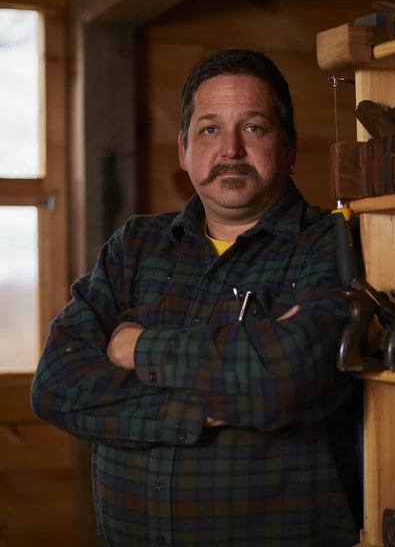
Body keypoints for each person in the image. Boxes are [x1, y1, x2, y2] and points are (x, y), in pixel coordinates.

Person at [31, 49, 362, 547]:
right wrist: (202, 409)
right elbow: (56, 384)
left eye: (253, 127)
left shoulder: (329, 243)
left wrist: (135, 350)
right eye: (209, 130)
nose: (230, 149)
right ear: (183, 149)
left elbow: (292, 375)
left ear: (289, 146)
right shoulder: (137, 245)